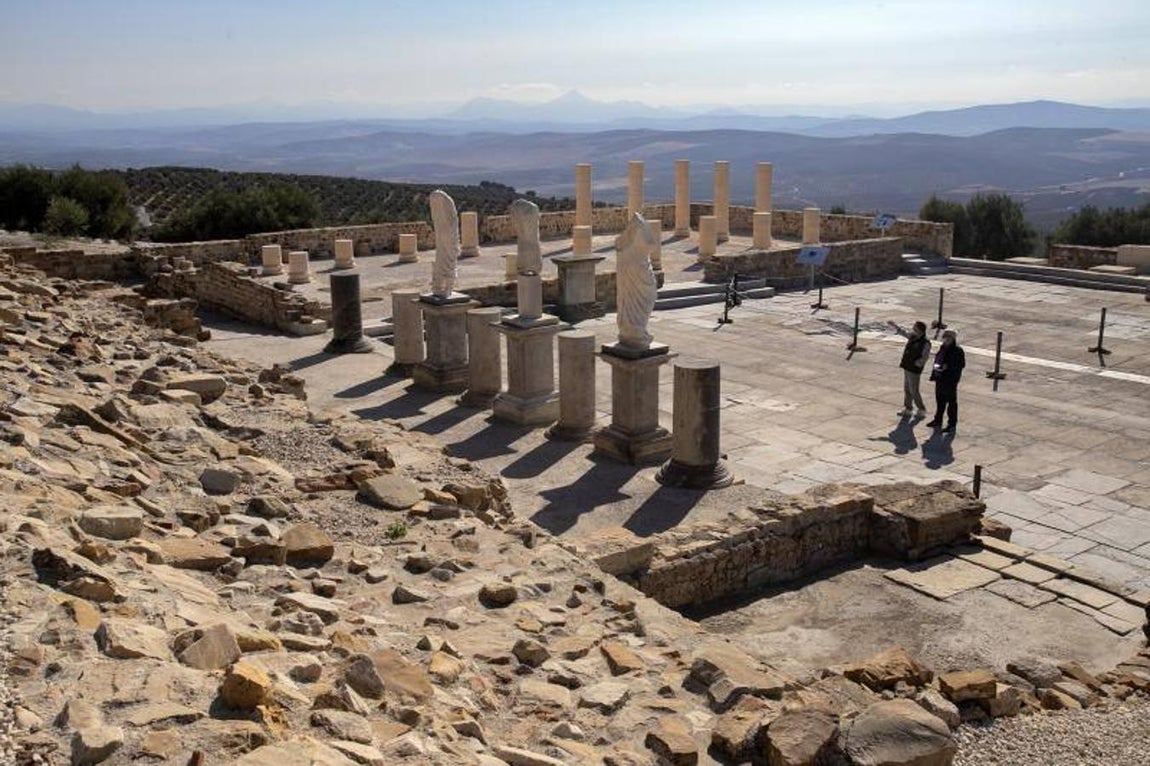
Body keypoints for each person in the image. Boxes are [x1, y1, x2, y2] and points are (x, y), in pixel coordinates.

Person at [926, 329, 965, 433]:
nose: (946, 339)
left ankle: (951, 424)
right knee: (940, 401)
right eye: (945, 337)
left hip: (950, 380)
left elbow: (961, 365)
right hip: (940, 377)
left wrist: (948, 366)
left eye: (948, 337)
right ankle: (938, 420)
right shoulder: (943, 347)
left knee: (951, 403)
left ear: (952, 339)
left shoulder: (957, 350)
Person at [897, 321, 931, 418]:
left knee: (914, 390)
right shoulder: (913, 337)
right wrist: (895, 326)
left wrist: (918, 364)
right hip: (907, 366)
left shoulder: (925, 342)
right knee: (907, 389)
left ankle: (921, 409)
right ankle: (908, 409)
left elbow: (925, 356)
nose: (913, 329)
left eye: (915, 327)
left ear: (919, 330)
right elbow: (904, 333)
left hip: (914, 369)